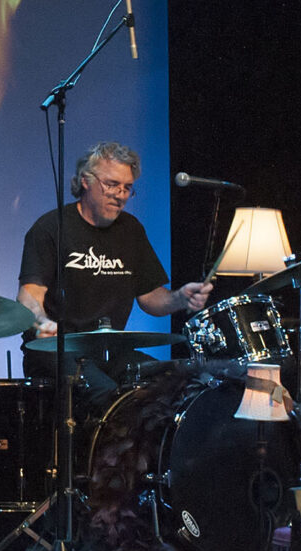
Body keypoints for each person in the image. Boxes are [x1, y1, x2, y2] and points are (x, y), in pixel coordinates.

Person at [18, 142, 212, 402]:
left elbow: (150, 298)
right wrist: (42, 322)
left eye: (127, 187)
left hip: (111, 351)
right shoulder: (50, 228)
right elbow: (29, 295)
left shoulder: (131, 230)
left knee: (174, 381)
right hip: (57, 351)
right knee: (107, 394)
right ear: (85, 181)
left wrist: (180, 298)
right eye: (111, 184)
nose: (120, 194)